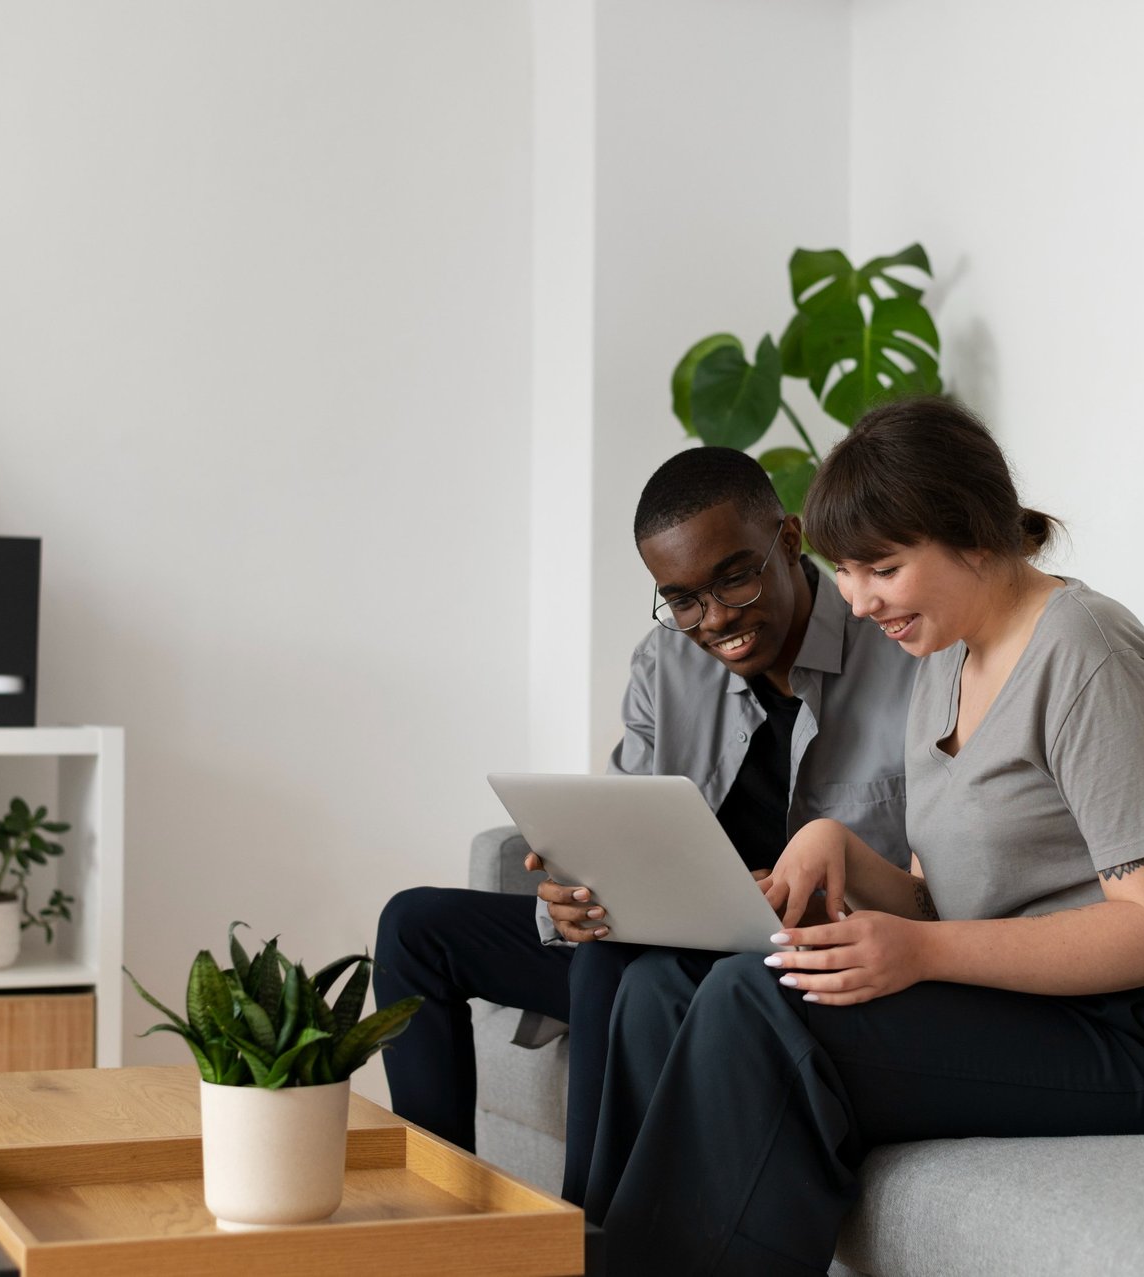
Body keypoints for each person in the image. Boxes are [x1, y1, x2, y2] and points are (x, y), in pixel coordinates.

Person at [584, 397, 1144, 1275]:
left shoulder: (1087, 654)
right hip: (1021, 1004)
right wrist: (842, 849)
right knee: (679, 980)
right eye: (847, 572)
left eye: (883, 568)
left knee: (758, 1000)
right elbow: (944, 899)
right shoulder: (944, 660)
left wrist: (921, 953)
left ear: (972, 533)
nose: (858, 602)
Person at [375, 446, 917, 1206]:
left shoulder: (902, 657)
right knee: (415, 926)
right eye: (683, 599)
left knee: (616, 959)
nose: (715, 618)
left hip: (785, 968)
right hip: (662, 946)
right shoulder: (665, 663)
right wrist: (570, 899)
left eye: (735, 578)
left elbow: (930, 886)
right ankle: (433, 1226)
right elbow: (620, 832)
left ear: (790, 540)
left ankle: (584, 1236)